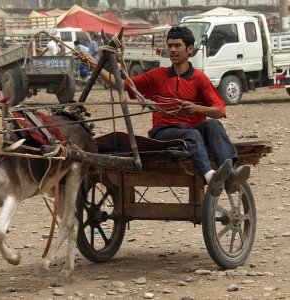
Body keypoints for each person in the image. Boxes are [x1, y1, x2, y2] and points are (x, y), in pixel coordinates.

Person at [81, 26, 250, 196]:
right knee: (193, 135)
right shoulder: (157, 75)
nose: (172, 50)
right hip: (163, 133)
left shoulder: (199, 79)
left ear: (190, 49)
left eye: (177, 46)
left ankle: (231, 175)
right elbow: (123, 85)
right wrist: (93, 64)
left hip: (190, 132)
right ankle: (210, 177)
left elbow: (219, 110)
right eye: (170, 46)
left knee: (213, 125)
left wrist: (196, 108)